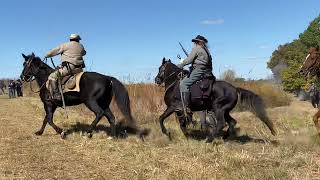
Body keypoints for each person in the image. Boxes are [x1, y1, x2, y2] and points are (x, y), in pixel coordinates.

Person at [177, 35, 214, 112]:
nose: (194, 43)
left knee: (183, 83)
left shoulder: (196, 48)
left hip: (198, 70)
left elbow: (189, 60)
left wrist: (180, 65)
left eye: (195, 42)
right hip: (207, 71)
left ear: (198, 42)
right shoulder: (206, 50)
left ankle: (185, 106)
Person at [45, 34, 86, 101]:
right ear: (78, 40)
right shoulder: (81, 46)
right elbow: (84, 53)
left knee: (52, 76)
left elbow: (55, 51)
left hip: (69, 68)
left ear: (70, 39)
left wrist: (47, 55)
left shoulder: (65, 45)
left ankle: (56, 95)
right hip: (79, 69)